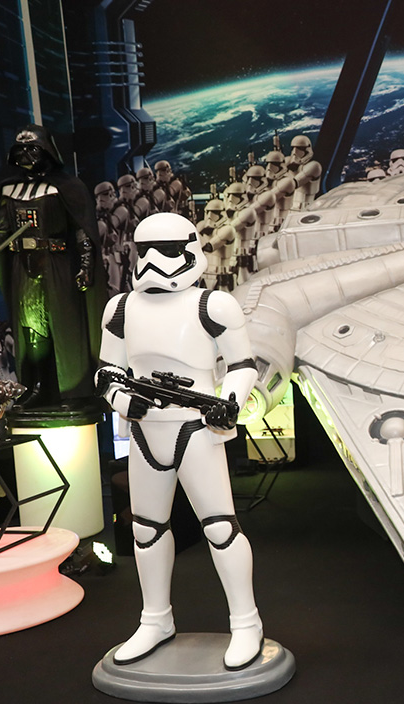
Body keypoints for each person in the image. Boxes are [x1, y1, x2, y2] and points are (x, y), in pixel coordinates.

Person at [97, 212, 263, 670]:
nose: (154, 261)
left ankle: (246, 622)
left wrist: (229, 401)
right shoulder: (120, 308)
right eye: (145, 251)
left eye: (167, 250)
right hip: (145, 430)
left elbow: (243, 365)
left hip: (196, 427)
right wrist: (122, 399)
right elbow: (108, 371)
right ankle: (155, 619)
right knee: (146, 529)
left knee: (221, 528)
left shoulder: (213, 305)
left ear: (190, 249)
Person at [0, 125, 106, 406]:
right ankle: (39, 385)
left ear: (47, 151)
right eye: (20, 149)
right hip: (24, 268)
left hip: (58, 266)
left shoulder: (65, 187)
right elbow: (0, 229)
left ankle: (71, 389)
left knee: (63, 325)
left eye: (32, 148)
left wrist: (86, 264)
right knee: (32, 329)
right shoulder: (9, 189)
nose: (25, 154)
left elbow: (82, 229)